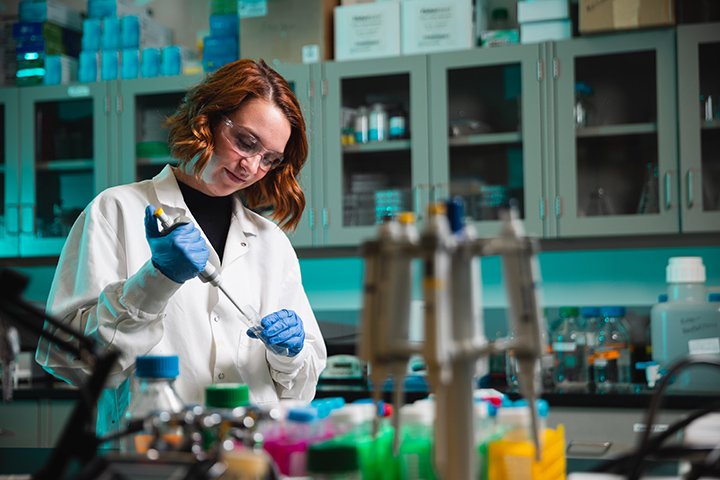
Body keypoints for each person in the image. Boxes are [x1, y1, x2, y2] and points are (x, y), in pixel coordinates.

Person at [35, 59, 327, 438]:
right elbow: (66, 360)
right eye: (246, 142)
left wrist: (291, 355)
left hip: (251, 455)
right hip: (153, 452)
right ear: (206, 120)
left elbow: (301, 390)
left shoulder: (271, 242)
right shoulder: (116, 211)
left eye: (269, 159)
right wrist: (156, 281)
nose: (252, 166)